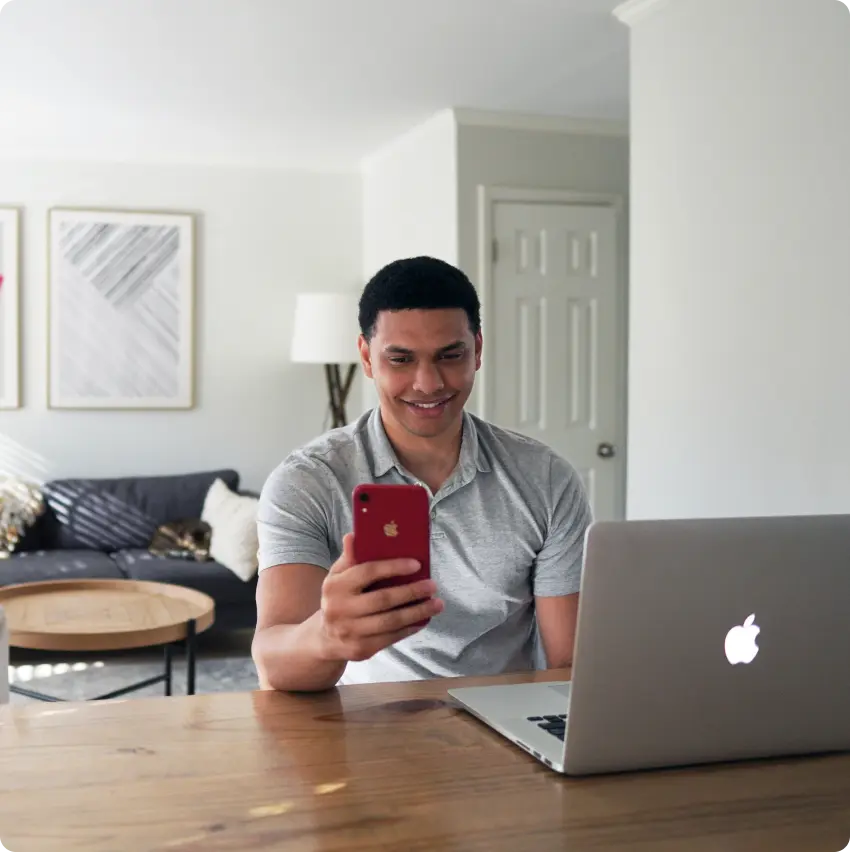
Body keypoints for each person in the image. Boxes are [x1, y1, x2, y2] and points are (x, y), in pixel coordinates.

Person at [252, 256, 592, 692]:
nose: (428, 383)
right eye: (401, 359)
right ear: (367, 357)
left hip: (501, 729)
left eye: (450, 356)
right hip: (358, 727)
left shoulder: (546, 480)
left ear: (478, 350)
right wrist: (327, 636)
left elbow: (568, 665)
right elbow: (274, 665)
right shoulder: (306, 482)